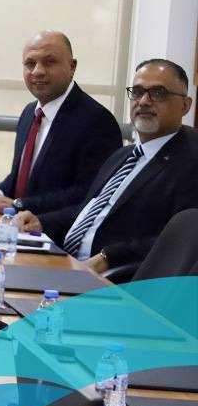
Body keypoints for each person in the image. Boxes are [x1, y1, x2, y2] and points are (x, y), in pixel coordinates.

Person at [17, 59, 198, 274]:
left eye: (158, 93)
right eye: (137, 92)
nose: (144, 101)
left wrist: (108, 257)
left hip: (115, 279)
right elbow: (88, 212)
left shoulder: (190, 163)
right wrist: (41, 222)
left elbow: (180, 242)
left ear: (185, 105)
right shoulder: (122, 156)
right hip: (66, 263)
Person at [0, 31, 122, 214]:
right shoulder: (29, 113)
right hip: (16, 224)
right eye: (30, 64)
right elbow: (24, 180)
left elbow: (88, 194)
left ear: (72, 67)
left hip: (54, 229)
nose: (38, 71)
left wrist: (19, 205)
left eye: (49, 62)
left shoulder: (97, 121)